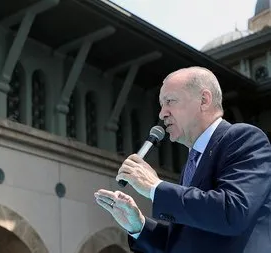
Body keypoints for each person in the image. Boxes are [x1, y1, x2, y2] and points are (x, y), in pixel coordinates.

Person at [94, 66, 271, 253]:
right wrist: (139, 225)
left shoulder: (244, 138)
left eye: (170, 101)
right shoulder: (192, 163)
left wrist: (154, 187)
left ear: (204, 100)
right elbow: (183, 243)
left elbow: (233, 212)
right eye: (161, 105)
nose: (162, 113)